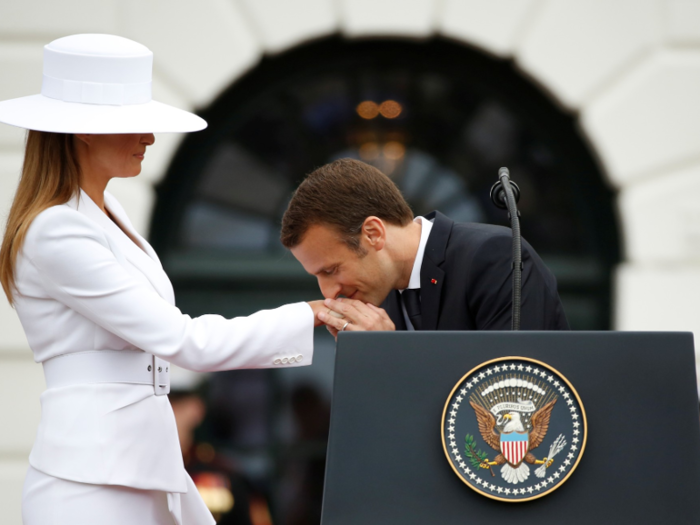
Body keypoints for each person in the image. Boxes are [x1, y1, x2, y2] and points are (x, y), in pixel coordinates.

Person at [0, 34, 328, 525]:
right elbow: (181, 340)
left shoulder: (101, 215)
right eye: (135, 124)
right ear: (83, 131)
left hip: (138, 469)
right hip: (91, 481)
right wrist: (311, 314)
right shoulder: (56, 230)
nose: (149, 139)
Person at [281, 158, 569, 336]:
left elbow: (513, 396)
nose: (329, 292)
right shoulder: (377, 300)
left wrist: (386, 355)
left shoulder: (493, 257)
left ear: (373, 233)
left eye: (331, 269)